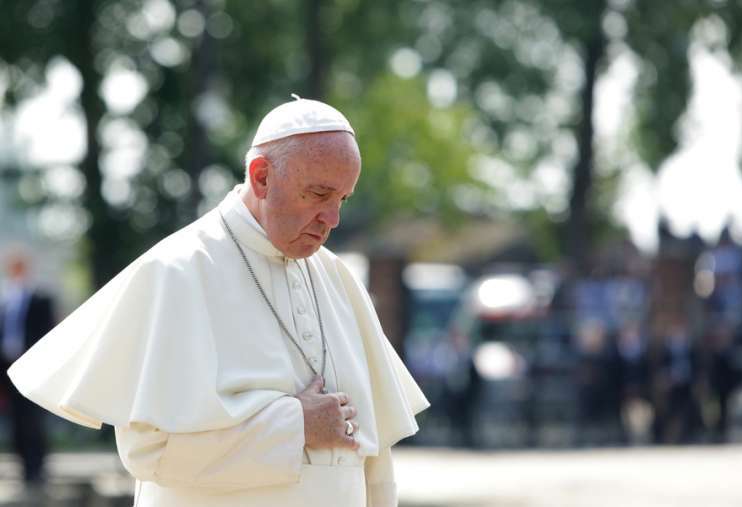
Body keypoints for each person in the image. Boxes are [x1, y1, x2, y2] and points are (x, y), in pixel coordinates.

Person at [7, 97, 429, 507]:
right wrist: (295, 426)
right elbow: (151, 452)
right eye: (319, 194)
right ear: (261, 176)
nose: (332, 219)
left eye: (342, 199)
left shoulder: (338, 280)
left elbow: (373, 460)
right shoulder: (176, 272)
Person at [0, 249, 55, 486]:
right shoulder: (5, 301)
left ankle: (37, 467)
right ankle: (24, 467)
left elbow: (48, 333)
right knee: (16, 421)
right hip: (7, 368)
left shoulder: (41, 298)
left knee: (33, 420)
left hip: (31, 366)